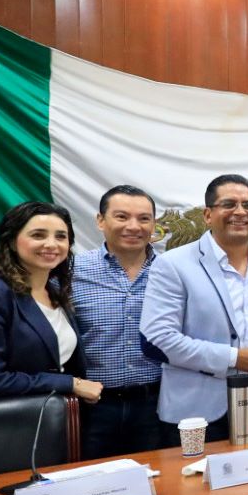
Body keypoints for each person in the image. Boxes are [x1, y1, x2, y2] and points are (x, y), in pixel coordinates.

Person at [140, 174, 248, 445]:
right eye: (229, 204)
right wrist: (233, 358)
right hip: (197, 409)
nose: (240, 212)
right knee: (194, 474)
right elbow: (158, 338)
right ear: (207, 215)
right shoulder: (173, 264)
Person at [0, 201, 103, 405]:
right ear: (12, 242)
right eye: (38, 235)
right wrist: (71, 384)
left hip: (43, 417)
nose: (51, 244)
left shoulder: (54, 292)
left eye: (60, 237)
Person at [72, 185, 162, 458]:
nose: (133, 226)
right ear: (101, 220)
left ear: (154, 225)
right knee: (90, 478)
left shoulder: (171, 271)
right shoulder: (70, 271)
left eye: (144, 219)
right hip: (93, 406)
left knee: (158, 477)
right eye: (122, 217)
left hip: (156, 403)